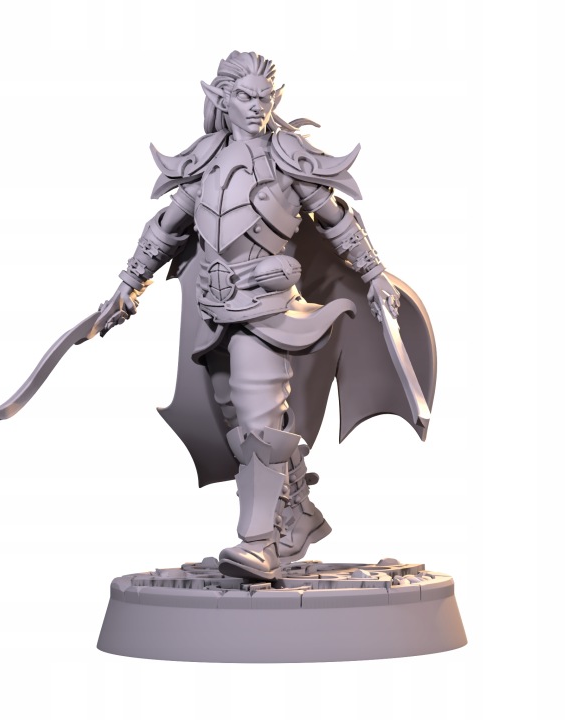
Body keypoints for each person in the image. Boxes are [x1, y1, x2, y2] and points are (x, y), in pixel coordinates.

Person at [96, 51, 424, 581]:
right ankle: (297, 516)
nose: (256, 106)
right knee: (236, 423)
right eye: (245, 96)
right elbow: (167, 226)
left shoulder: (288, 160)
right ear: (222, 100)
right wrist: (128, 282)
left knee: (259, 425)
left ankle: (258, 543)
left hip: (269, 306)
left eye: (264, 97)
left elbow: (337, 220)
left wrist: (373, 273)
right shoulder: (205, 163)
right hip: (214, 313)